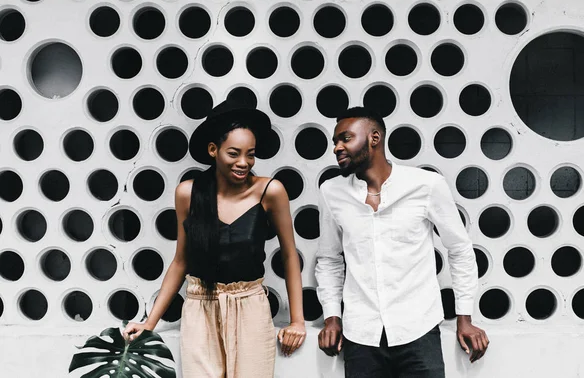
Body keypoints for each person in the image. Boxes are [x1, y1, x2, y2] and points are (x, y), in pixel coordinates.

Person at [124, 100, 306, 378]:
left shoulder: (271, 191)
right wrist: (150, 322)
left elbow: (290, 255)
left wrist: (297, 321)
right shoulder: (188, 193)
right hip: (200, 307)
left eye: (251, 154)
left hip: (251, 306)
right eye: (234, 153)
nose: (244, 163)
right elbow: (180, 261)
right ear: (213, 150)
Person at [315, 107, 489, 377]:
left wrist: (465, 318)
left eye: (345, 138)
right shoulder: (331, 192)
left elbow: (460, 250)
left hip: (418, 330)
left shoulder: (426, 185)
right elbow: (329, 259)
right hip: (361, 335)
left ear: (374, 138)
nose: (337, 147)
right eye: (335, 142)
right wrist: (331, 317)